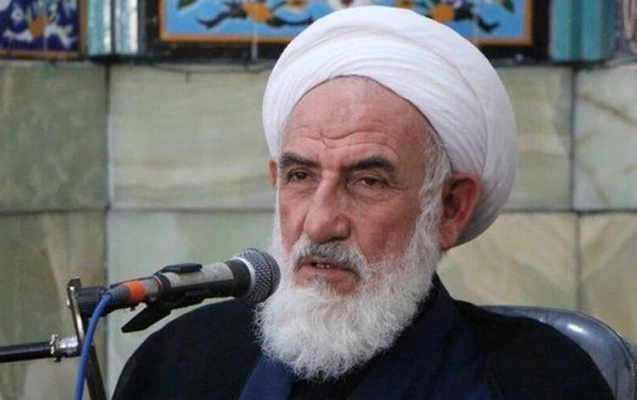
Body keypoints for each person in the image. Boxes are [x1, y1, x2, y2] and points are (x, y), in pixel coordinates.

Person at [113, 6, 613, 400]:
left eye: (368, 181)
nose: (319, 223)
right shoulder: (180, 363)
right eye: (300, 176)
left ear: (450, 208)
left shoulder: (538, 379)